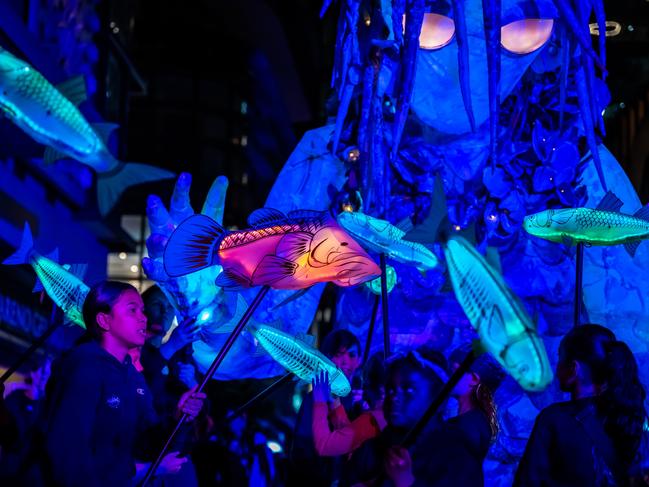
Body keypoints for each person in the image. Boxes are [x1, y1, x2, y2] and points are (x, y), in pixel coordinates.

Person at [40, 281, 206, 487]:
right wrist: (143, 470)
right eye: (132, 310)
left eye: (143, 311)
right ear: (104, 320)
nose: (143, 317)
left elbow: (145, 440)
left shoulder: (131, 373)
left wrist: (178, 417)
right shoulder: (84, 366)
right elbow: (68, 449)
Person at [514, 324, 648, 487]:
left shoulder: (554, 419)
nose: (556, 368)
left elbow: (527, 482)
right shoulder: (632, 417)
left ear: (573, 369)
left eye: (560, 358)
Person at [288, 329, 362, 487]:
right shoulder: (314, 399)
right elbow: (303, 452)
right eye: (338, 354)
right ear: (326, 359)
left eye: (352, 355)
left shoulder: (360, 400)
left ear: (360, 360)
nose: (345, 362)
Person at [311, 351, 387, 457]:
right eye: (338, 355)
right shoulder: (382, 416)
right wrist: (334, 399)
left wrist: (319, 402)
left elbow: (323, 446)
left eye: (365, 380)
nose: (344, 362)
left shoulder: (373, 420)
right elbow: (349, 436)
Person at [0, 356, 51, 484]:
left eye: (49, 374)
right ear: (33, 373)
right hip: (8, 468)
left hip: (29, 475)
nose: (46, 377)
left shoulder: (48, 407)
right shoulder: (15, 398)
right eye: (44, 372)